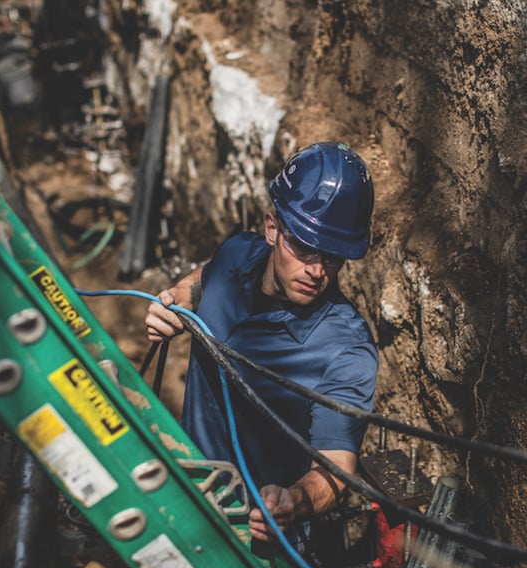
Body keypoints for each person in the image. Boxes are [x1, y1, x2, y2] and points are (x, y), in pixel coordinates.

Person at [145, 141, 378, 545]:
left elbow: (337, 466)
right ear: (272, 228)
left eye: (334, 256)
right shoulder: (236, 254)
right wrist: (177, 299)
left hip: (252, 531)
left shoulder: (346, 350)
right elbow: (206, 277)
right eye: (303, 247)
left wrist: (295, 501)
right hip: (184, 487)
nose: (317, 270)